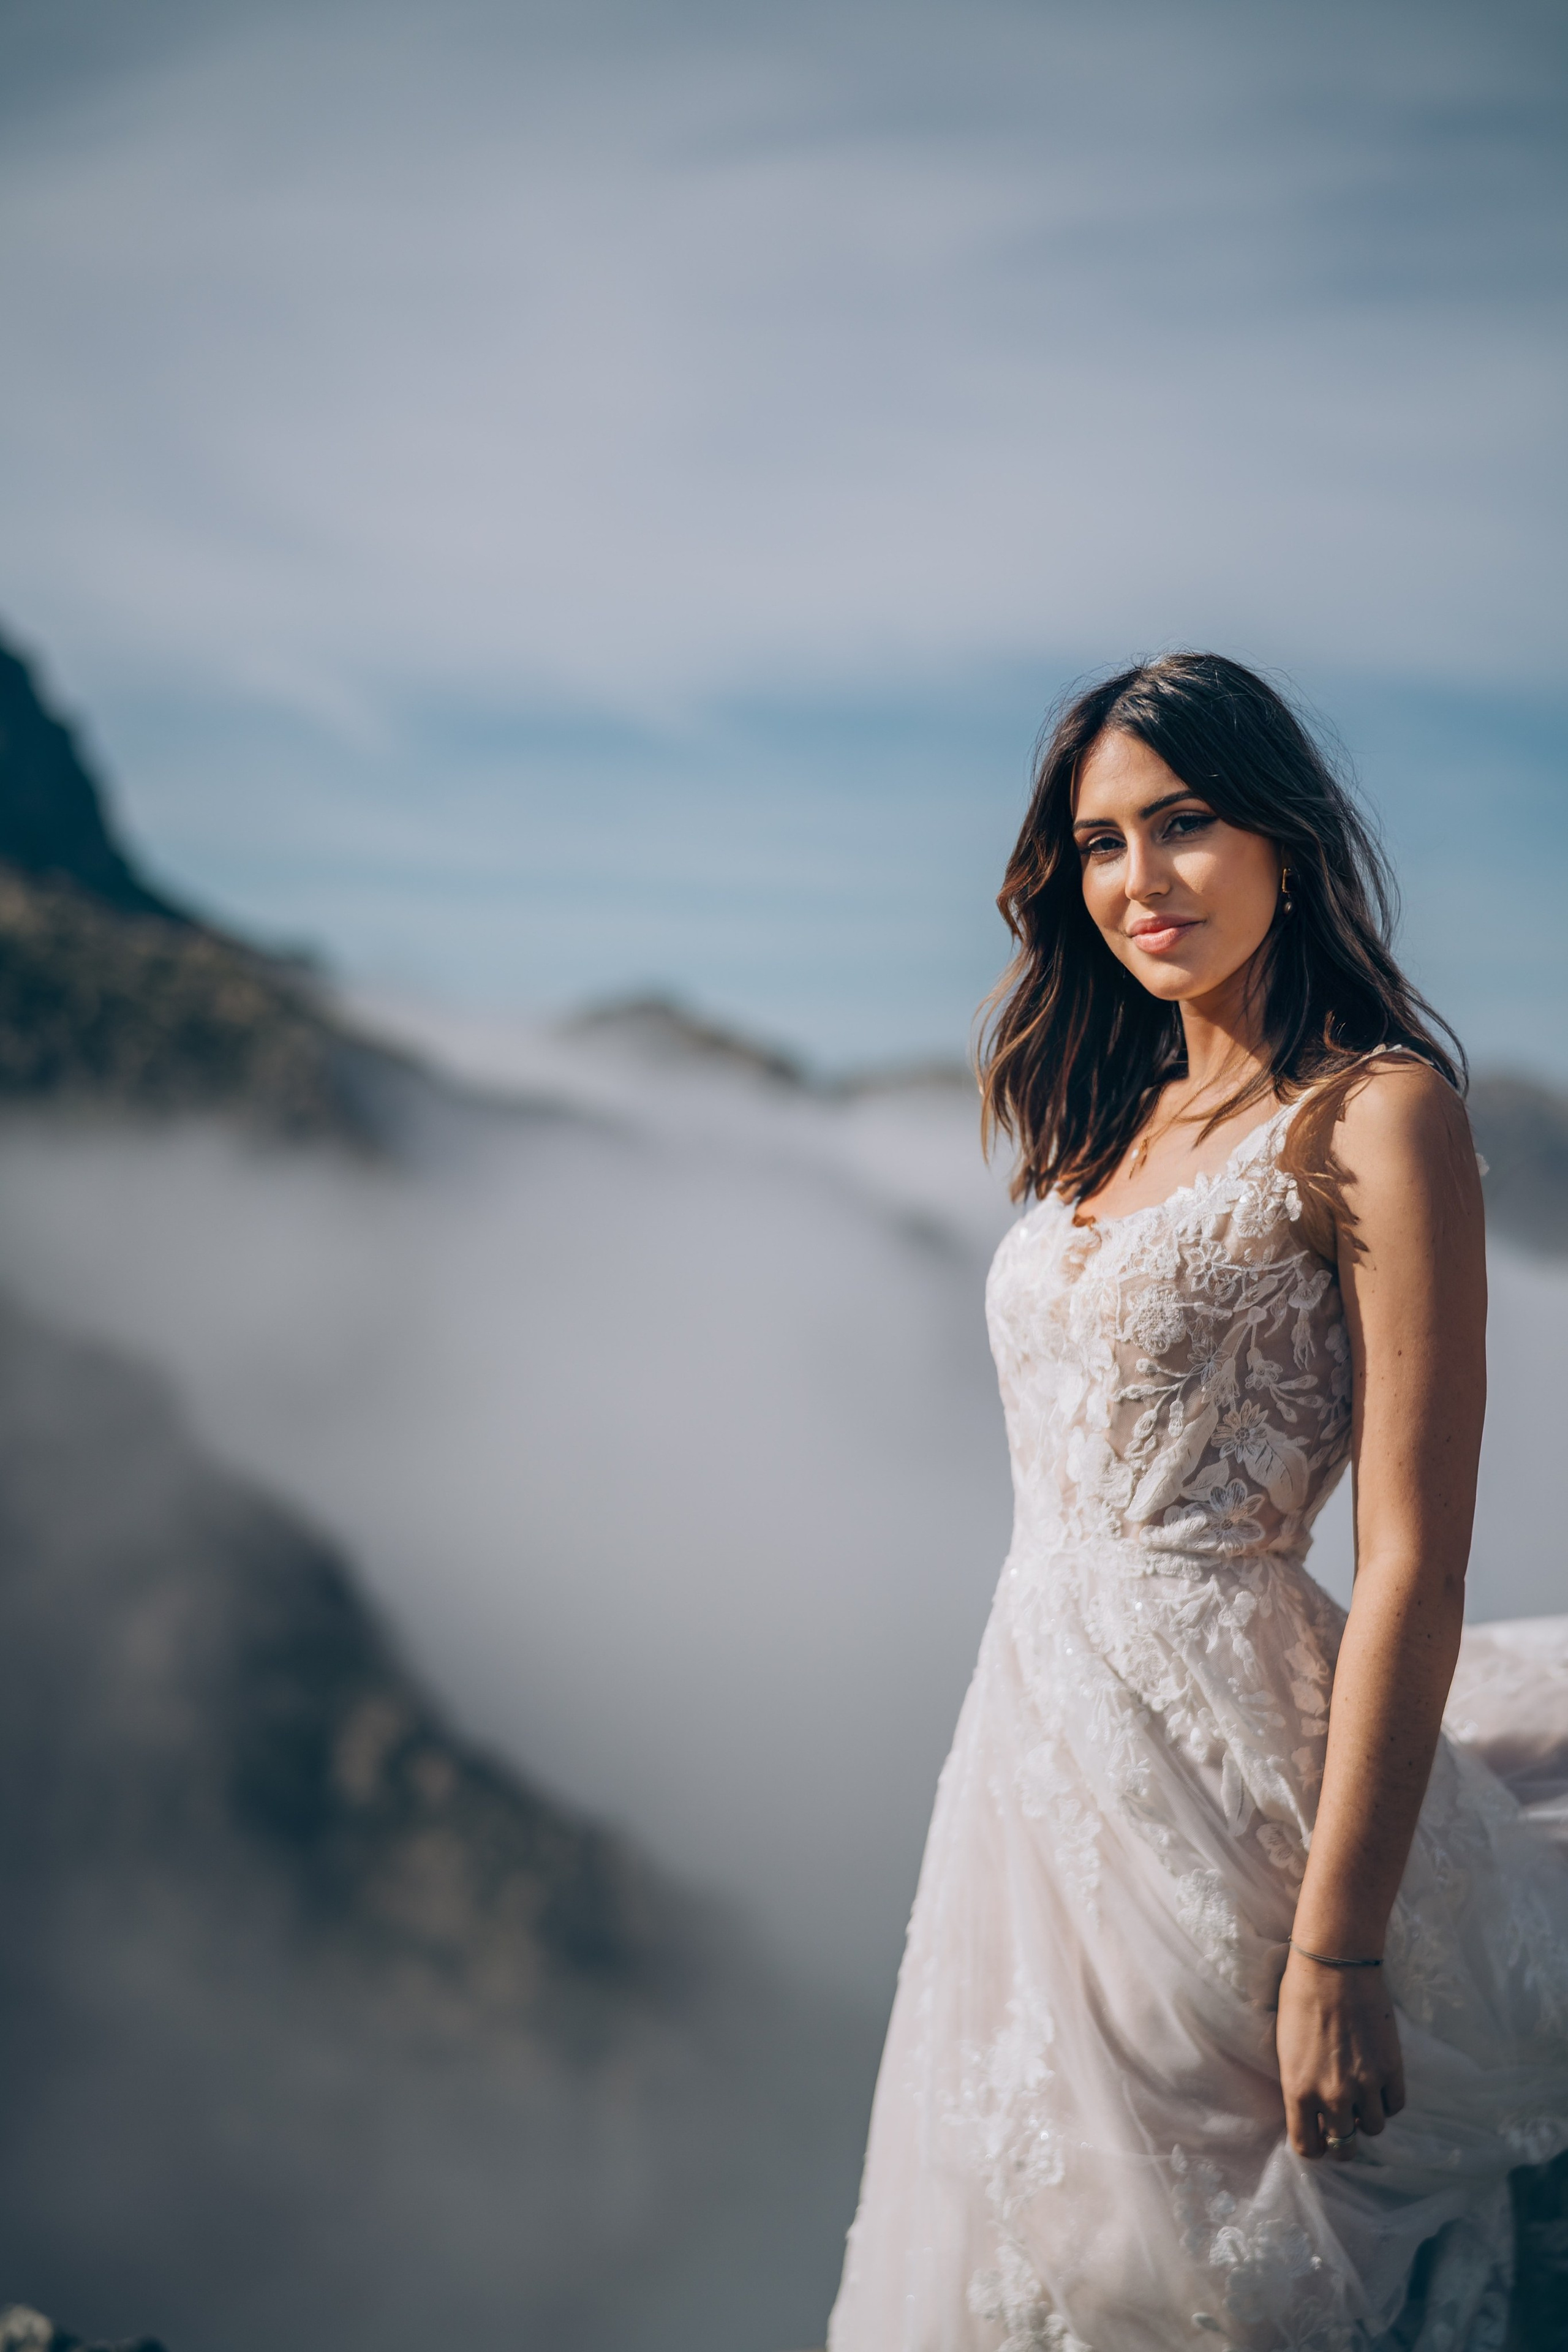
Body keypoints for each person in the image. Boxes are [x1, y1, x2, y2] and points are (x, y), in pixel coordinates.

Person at [827, 654, 1568, 2352]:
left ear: (1289, 845)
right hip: (1031, 1754)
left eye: (1186, 824)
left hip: (1238, 1772)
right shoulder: (1110, 1121)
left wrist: (1348, 1955)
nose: (1138, 881)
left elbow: (1410, 1564)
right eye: (1098, 844)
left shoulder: (1379, 1114)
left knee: (1217, 2274)